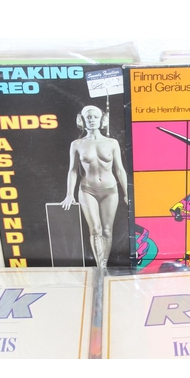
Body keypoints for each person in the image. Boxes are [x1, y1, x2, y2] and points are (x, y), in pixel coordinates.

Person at [61, 105, 128, 268]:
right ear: (82, 120)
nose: (92, 120)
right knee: (95, 229)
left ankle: (103, 264)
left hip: (110, 190)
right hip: (87, 190)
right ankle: (100, 267)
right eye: (88, 117)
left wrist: (127, 193)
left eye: (95, 117)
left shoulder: (112, 143)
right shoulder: (77, 144)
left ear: (102, 120)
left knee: (107, 230)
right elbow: (73, 170)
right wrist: (69, 194)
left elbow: (119, 169)